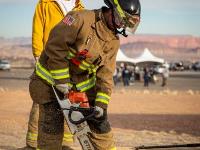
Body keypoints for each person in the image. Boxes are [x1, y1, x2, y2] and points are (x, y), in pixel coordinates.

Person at [29, 0, 141, 149]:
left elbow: (106, 75)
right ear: (112, 11)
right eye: (122, 20)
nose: (122, 25)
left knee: (100, 124)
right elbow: (55, 46)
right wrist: (61, 80)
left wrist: (101, 104)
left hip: (77, 86)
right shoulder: (80, 19)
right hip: (48, 82)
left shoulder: (113, 41)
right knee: (52, 128)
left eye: (127, 24)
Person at [26, 0, 84, 149]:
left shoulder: (80, 8)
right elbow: (37, 29)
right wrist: (38, 54)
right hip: (48, 60)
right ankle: (33, 143)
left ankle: (65, 143)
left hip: (69, 63)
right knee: (42, 101)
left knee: (67, 102)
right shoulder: (45, 4)